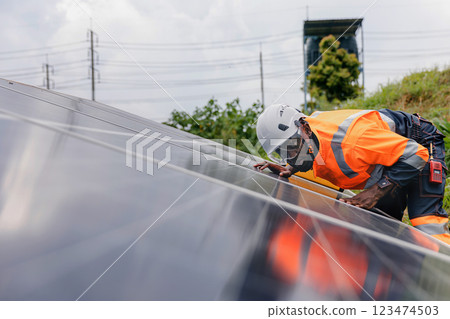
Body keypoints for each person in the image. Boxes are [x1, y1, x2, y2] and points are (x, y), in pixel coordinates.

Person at [254, 104, 450, 245]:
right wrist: (292, 167)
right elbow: (306, 152)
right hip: (387, 155)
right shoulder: (308, 139)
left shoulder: (353, 141)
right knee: (377, 227)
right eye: (282, 152)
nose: (289, 157)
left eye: (291, 148)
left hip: (418, 143)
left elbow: (416, 154)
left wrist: (376, 191)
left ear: (304, 128)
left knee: (426, 226)